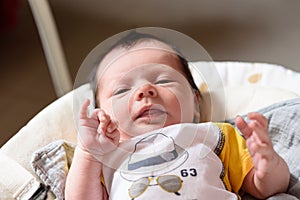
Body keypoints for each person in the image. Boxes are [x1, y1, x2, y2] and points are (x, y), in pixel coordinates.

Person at [65, 30, 290, 200]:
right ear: (100, 114)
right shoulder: (105, 154)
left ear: (195, 101)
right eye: (122, 90)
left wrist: (268, 165)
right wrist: (88, 153)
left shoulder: (215, 135)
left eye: (163, 80)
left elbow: (265, 189)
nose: (144, 91)